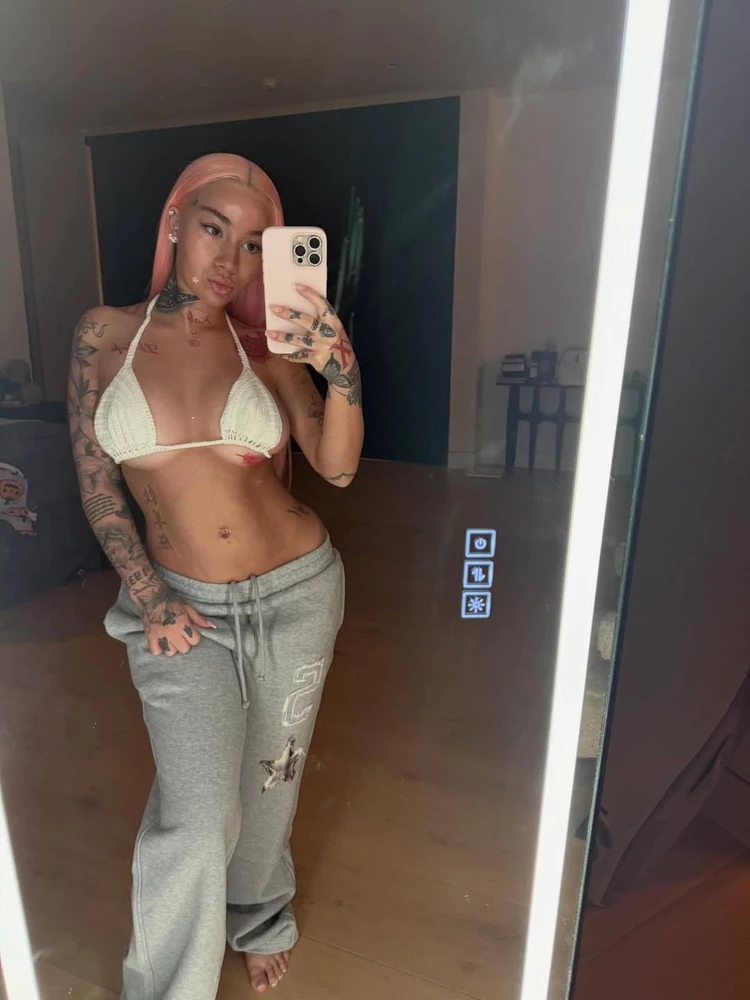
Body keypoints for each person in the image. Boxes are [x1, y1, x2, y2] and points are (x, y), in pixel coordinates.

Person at [67, 153, 364, 999]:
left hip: (298, 593)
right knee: (197, 818)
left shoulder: (265, 349)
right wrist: (151, 595)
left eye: (255, 243)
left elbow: (338, 467)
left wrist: (339, 368)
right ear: (174, 223)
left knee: (272, 784)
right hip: (181, 610)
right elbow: (97, 479)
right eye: (213, 229)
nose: (230, 259)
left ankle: (260, 915)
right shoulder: (103, 336)